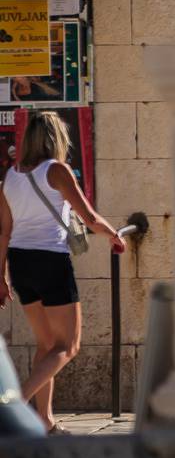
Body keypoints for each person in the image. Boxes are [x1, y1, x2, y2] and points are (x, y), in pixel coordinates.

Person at [0, 111, 128, 430]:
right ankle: (12, 406)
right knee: (68, 346)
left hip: (19, 261)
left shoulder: (11, 174)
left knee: (46, 345)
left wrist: (0, 276)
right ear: (57, 138)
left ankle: (44, 421)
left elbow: (4, 230)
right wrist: (114, 235)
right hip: (50, 261)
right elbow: (88, 217)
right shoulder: (57, 170)